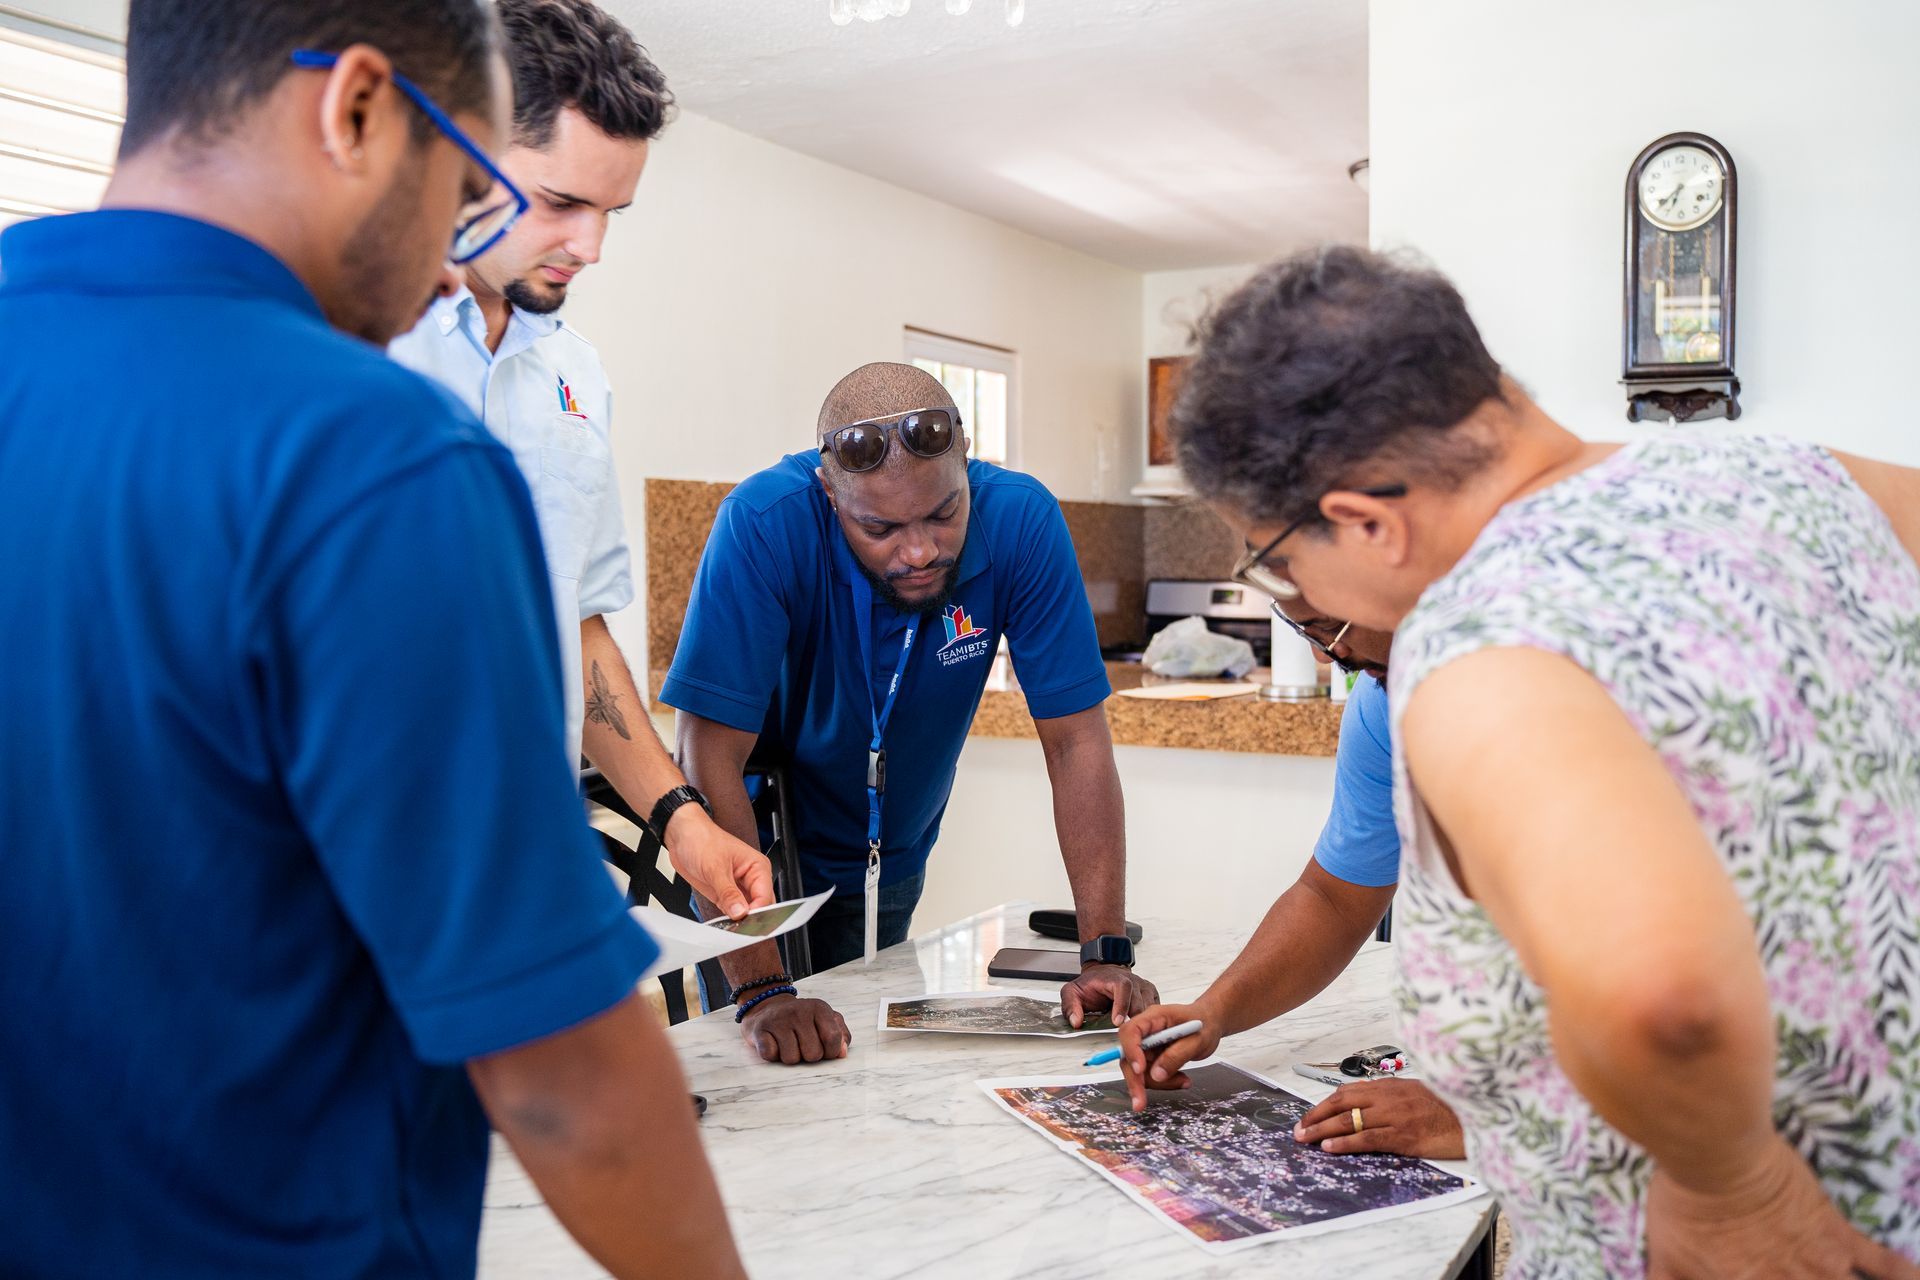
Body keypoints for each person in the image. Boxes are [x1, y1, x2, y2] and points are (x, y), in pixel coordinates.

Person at [0, 2, 743, 1275]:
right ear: (354, 109)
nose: (453, 261)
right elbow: (559, 1068)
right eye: (460, 187)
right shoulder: (381, 457)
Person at [1166, 244, 1920, 1280]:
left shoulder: (1478, 646)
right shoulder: (1813, 476)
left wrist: (1733, 1192)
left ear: (1365, 522)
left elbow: (1667, 996)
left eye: (1283, 564)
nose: (1308, 606)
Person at [389, 0, 769, 921]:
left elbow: (580, 629)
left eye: (611, 212)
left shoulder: (575, 373)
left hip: (522, 868)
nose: (592, 248)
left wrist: (682, 820)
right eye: (560, 202)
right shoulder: (350, 340)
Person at [663, 362, 1159, 1063]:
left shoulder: (1021, 519)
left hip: (896, 860)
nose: (920, 550)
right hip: (756, 875)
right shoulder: (763, 523)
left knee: (874, 1082)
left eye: (943, 514)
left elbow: (1076, 743)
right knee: (777, 1082)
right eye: (881, 528)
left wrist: (1105, 952)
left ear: (967, 463)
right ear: (829, 496)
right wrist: (764, 991)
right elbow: (708, 758)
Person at [1117, 608, 1466, 1159]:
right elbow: (1335, 899)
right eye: (1310, 633)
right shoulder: (1382, 707)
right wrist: (1216, 1011)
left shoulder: (1587, 681)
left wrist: (1486, 1114)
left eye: (1333, 624)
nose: (1326, 657)